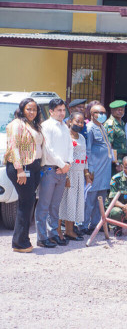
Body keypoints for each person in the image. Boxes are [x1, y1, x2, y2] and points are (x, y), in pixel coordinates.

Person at [5, 98, 44, 252]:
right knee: (26, 204)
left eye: (34, 109)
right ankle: (20, 243)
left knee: (27, 203)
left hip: (34, 167)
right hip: (21, 168)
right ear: (22, 109)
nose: (32, 112)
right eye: (28, 109)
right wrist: (20, 169)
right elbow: (13, 147)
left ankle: (20, 240)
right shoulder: (16, 125)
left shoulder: (34, 124)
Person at [34, 98, 74, 247]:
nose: (62, 113)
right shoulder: (46, 126)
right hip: (50, 170)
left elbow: (70, 147)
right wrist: (63, 165)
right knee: (44, 205)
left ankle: (54, 234)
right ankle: (41, 237)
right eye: (59, 110)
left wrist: (68, 164)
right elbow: (48, 150)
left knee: (55, 206)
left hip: (62, 170)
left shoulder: (64, 126)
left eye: (64, 110)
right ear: (51, 111)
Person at [58, 112, 89, 242]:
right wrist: (65, 176)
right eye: (77, 121)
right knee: (63, 202)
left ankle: (70, 231)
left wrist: (86, 173)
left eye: (82, 122)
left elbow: (84, 156)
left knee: (74, 202)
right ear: (70, 121)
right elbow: (62, 156)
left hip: (79, 174)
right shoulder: (65, 137)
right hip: (68, 173)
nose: (80, 124)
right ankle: (58, 231)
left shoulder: (81, 137)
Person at [83, 104, 114, 234]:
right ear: (91, 114)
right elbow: (87, 150)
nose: (101, 115)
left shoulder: (101, 126)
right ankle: (83, 226)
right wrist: (89, 170)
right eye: (98, 112)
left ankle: (95, 224)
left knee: (100, 198)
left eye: (103, 112)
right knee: (90, 199)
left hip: (104, 170)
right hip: (95, 169)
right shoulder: (90, 128)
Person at [105, 100, 127, 174]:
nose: (120, 112)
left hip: (122, 158)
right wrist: (116, 163)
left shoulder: (122, 123)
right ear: (112, 110)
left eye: (122, 110)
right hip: (115, 161)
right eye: (118, 110)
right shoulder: (110, 125)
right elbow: (109, 144)